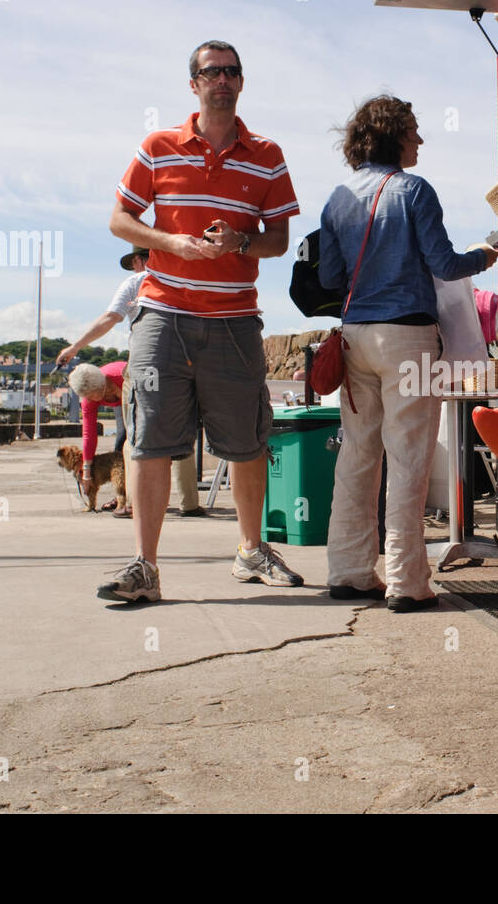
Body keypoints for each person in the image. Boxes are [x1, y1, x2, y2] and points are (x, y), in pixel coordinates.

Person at [99, 39, 302, 603]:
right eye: (212, 72)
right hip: (162, 314)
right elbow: (119, 219)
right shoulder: (158, 146)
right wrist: (170, 242)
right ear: (193, 84)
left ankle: (251, 550)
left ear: (241, 82)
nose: (223, 80)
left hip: (236, 319)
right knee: (149, 439)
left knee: (246, 441)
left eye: (232, 71)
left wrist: (242, 241)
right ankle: (145, 567)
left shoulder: (267, 154)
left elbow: (280, 240)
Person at [319, 95, 496, 612]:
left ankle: (349, 571)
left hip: (355, 337)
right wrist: (483, 256)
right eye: (414, 131)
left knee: (357, 457)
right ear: (394, 135)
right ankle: (406, 581)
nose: (420, 139)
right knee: (409, 459)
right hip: (408, 338)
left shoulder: (337, 197)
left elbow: (330, 277)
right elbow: (444, 262)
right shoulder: (414, 190)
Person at [56, 246, 205, 517]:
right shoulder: (183, 277)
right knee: (183, 432)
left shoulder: (136, 282)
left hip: (146, 365)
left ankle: (136, 503)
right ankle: (189, 504)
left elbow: (110, 319)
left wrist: (75, 347)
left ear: (139, 260)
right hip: (185, 362)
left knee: (135, 437)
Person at [67, 360, 131, 515]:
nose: (89, 399)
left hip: (132, 392)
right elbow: (89, 435)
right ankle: (122, 496)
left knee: (133, 437)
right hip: (118, 400)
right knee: (121, 441)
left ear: (102, 387)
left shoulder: (121, 377)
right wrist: (86, 473)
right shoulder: (88, 399)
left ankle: (137, 492)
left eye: (91, 396)